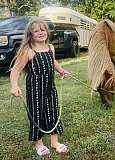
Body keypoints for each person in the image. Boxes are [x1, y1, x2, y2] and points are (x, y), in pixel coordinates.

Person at [10, 17, 70, 156]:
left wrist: (61, 70)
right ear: (30, 35)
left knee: (53, 112)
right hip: (35, 90)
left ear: (47, 32)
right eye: (36, 31)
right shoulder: (28, 50)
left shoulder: (50, 48)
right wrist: (14, 85)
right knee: (37, 115)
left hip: (50, 87)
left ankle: (55, 142)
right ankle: (39, 144)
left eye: (43, 30)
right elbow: (16, 70)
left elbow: (53, 61)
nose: (41, 32)